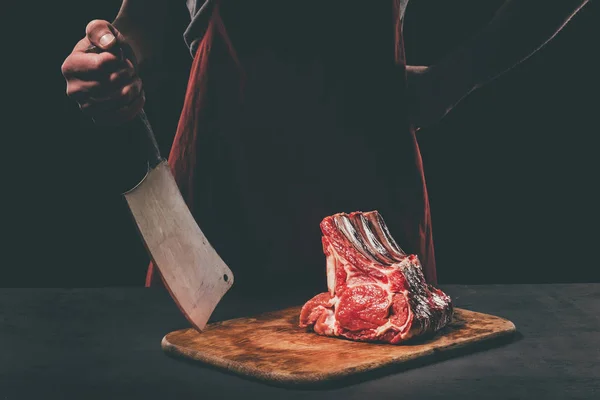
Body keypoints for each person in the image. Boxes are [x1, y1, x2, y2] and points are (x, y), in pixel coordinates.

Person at [61, 0, 588, 296]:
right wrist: (112, 55)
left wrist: (452, 80)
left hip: (365, 197)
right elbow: (148, 16)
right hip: (219, 192)